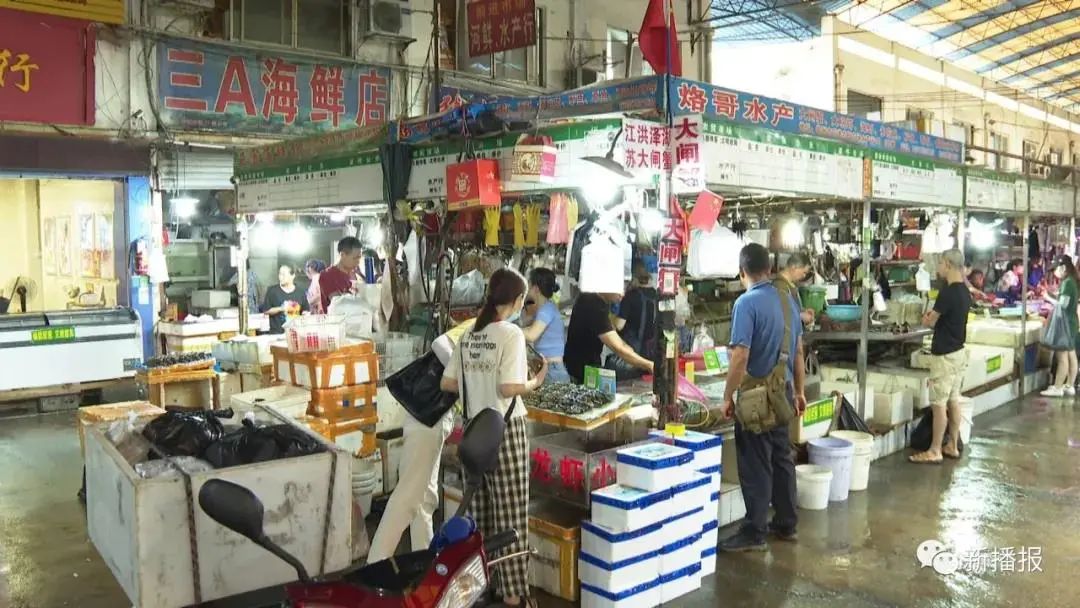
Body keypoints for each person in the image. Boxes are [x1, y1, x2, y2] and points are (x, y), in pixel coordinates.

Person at [441, 269, 546, 608]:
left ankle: (482, 588)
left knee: (481, 516)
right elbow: (508, 388)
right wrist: (534, 382)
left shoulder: (470, 333)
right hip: (505, 430)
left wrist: (477, 380)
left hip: (473, 431)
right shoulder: (511, 334)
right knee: (511, 515)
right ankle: (514, 595)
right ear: (516, 301)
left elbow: (448, 384)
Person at [718, 243, 805, 552]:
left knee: (756, 463)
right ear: (769, 269)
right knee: (782, 458)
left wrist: (728, 396)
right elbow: (797, 350)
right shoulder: (787, 300)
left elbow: (740, 356)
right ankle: (786, 523)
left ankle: (755, 531)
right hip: (783, 393)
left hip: (755, 397)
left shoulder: (746, 303)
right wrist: (801, 390)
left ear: (742, 272)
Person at [368, 327, 459, 563]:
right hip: (428, 418)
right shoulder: (476, 327)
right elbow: (440, 343)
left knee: (424, 498)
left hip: (432, 418)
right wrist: (464, 377)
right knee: (408, 497)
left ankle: (424, 562)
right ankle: (376, 565)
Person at [911, 249, 971, 464]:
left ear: (947, 264)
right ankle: (952, 444)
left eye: (939, 264)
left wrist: (925, 317)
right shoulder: (965, 290)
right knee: (953, 400)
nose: (937, 268)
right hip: (959, 353)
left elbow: (930, 321)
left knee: (938, 404)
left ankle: (935, 449)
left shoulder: (948, 292)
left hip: (944, 355)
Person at [564, 290, 654, 384]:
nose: (622, 294)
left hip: (587, 365)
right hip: (580, 370)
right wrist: (649, 365)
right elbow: (618, 347)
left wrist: (631, 353)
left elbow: (614, 335)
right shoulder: (592, 304)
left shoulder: (599, 301)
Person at [521, 268, 570, 384]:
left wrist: (509, 329)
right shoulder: (546, 307)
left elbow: (532, 335)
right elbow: (529, 328)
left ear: (536, 288)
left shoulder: (546, 310)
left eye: (529, 284)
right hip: (550, 368)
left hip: (552, 370)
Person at [1041, 256, 1080, 398]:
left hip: (1065, 324)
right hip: (1071, 323)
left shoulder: (1068, 283)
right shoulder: (1072, 281)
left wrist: (1047, 297)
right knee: (1071, 355)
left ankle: (1057, 387)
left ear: (1063, 268)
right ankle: (1069, 385)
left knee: (1062, 356)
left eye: (1056, 269)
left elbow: (1062, 305)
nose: (1055, 273)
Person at [613, 261, 659, 359]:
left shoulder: (630, 296)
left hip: (632, 351)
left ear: (633, 278)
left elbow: (619, 325)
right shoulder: (656, 295)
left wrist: (611, 319)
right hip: (652, 350)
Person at [320, 236, 363, 311]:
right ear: (342, 255)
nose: (358, 261)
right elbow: (339, 303)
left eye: (359, 258)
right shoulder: (327, 275)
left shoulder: (357, 275)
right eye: (355, 258)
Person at [261, 265, 308, 333]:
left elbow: (305, 311)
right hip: (276, 334)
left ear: (292, 276)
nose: (280, 277)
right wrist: (281, 308)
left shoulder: (300, 292)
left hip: (295, 333)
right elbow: (266, 310)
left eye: (283, 275)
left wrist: (304, 317)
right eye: (280, 274)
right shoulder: (272, 291)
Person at [776, 252, 815, 326]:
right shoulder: (779, 286)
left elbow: (790, 308)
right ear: (794, 267)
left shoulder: (791, 285)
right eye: (804, 272)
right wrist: (800, 316)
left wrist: (803, 311)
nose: (804, 276)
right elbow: (779, 314)